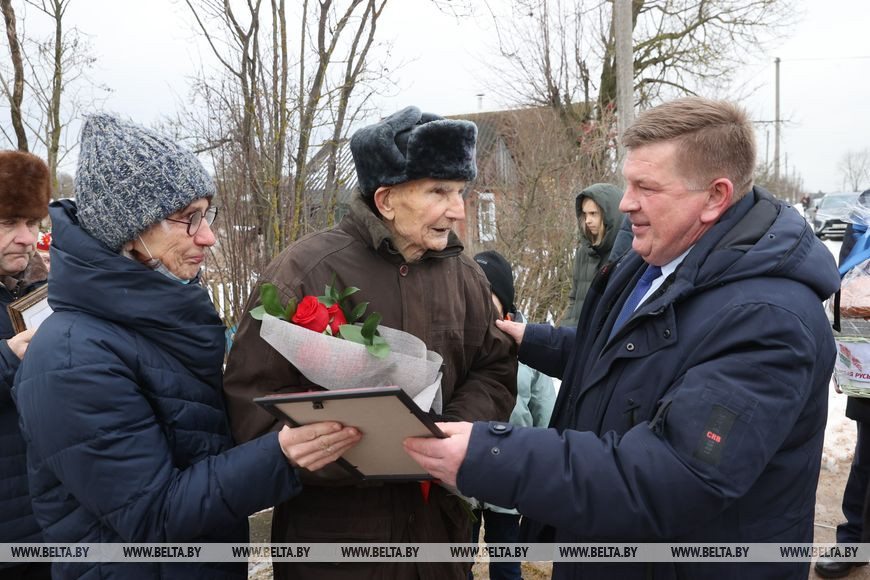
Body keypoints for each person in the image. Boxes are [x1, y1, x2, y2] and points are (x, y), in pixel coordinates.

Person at [405, 97, 840, 580]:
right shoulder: (651, 260)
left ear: (715, 197)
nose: (626, 202)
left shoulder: (770, 321)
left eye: (646, 187)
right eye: (628, 183)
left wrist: (490, 455)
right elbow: (630, 357)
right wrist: (533, 340)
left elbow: (673, 475)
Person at [13, 114, 361, 580]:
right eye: (187, 218)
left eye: (207, 214)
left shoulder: (156, 324)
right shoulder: (72, 358)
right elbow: (153, 516)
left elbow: (198, 445)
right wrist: (280, 454)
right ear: (128, 230)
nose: (208, 236)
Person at [223, 105, 518, 580]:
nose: (458, 210)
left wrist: (445, 434)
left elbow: (495, 371)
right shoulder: (304, 272)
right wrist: (348, 449)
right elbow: (251, 406)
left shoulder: (466, 276)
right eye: (439, 191)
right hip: (336, 548)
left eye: (460, 191)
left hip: (440, 544)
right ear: (386, 199)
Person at [471, 250, 556, 580]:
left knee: (506, 562)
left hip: (509, 475)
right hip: (464, 477)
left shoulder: (529, 345)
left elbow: (544, 411)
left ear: (505, 301)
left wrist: (542, 465)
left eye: (487, 296)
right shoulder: (462, 337)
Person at [0, 151, 50, 580]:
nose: (25, 237)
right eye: (8, 223)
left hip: (46, 517)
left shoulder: (36, 288)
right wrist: (8, 356)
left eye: (32, 222)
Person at [815, 188, 870, 579]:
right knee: (868, 457)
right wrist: (847, 359)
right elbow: (846, 286)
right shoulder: (865, 208)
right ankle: (855, 542)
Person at [560, 184, 623, 328]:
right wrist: (564, 330)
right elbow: (574, 298)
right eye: (585, 214)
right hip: (575, 333)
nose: (587, 220)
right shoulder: (583, 252)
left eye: (593, 213)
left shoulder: (624, 254)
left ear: (609, 215)